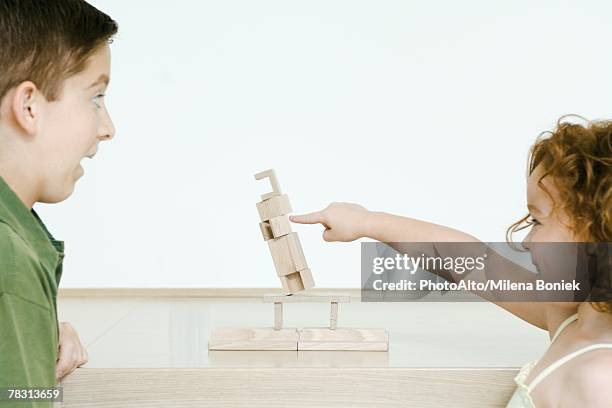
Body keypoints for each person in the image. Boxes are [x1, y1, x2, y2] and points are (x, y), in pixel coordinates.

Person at [291, 117, 612, 407]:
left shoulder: (599, 379)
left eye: (538, 221)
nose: (526, 241)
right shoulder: (567, 314)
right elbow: (473, 261)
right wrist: (364, 221)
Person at [0, 0, 118, 401]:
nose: (108, 128)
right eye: (96, 97)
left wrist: (33, 335)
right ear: (29, 106)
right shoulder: (8, 259)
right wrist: (30, 386)